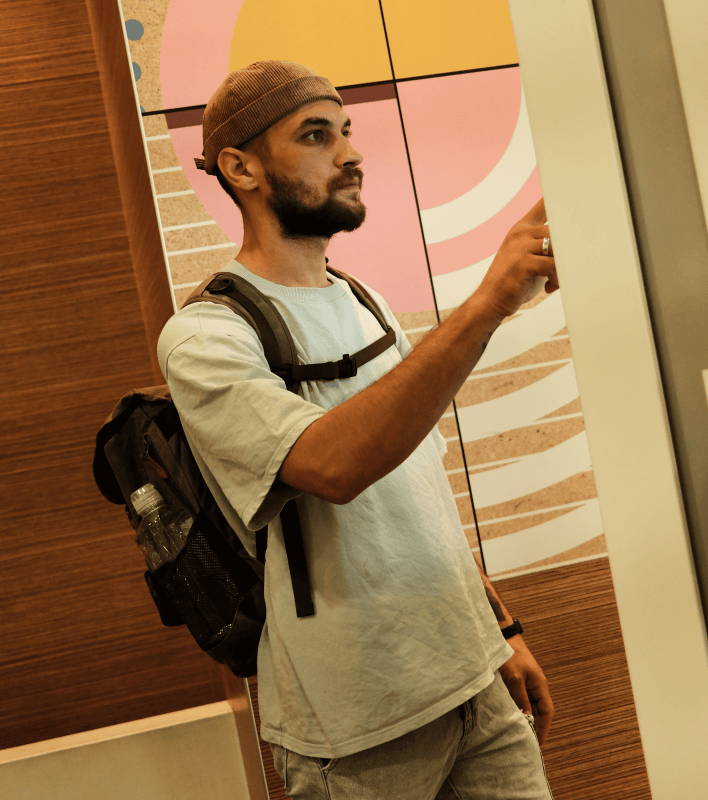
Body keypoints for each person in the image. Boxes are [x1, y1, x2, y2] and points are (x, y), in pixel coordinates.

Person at [158, 60, 558, 800]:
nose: (350, 154)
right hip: (357, 729)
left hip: (473, 682)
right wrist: (485, 306)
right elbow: (336, 466)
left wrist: (498, 627)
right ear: (241, 168)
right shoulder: (206, 337)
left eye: (346, 132)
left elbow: (421, 493)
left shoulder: (361, 296)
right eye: (316, 136)